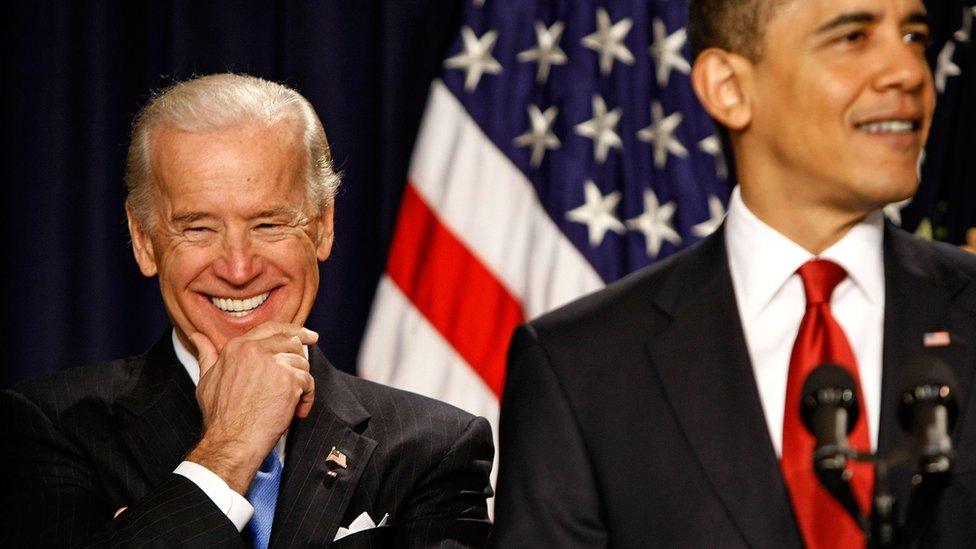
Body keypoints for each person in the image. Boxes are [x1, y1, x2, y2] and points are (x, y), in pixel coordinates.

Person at [492, 0, 976, 547]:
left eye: (913, 36)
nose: (910, 73)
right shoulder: (578, 369)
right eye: (853, 37)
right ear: (729, 87)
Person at [0, 73, 493, 548]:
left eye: (269, 224)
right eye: (198, 228)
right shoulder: (51, 428)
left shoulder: (432, 448)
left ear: (323, 226)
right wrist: (226, 453)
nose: (238, 269)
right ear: (143, 239)